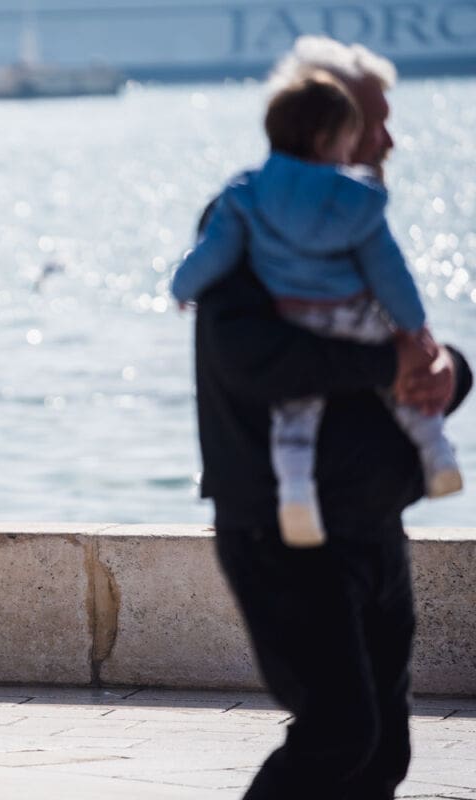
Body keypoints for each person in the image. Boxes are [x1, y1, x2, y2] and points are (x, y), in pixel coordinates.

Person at [187, 37, 471, 799]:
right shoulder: (244, 216)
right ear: (321, 129)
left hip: (373, 525)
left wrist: (449, 369)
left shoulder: (355, 222)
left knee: (381, 754)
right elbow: (251, 358)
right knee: (339, 733)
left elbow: (407, 347)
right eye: (372, 123)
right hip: (284, 534)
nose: (389, 140)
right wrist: (390, 365)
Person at [172, 69, 462, 548]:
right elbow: (388, 276)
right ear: (327, 137)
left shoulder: (246, 197)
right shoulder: (357, 202)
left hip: (367, 515)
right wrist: (411, 340)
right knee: (383, 395)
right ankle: (439, 456)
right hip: (272, 532)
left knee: (295, 421)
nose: (386, 141)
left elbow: (207, 258)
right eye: (368, 125)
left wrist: (181, 287)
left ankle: (297, 496)